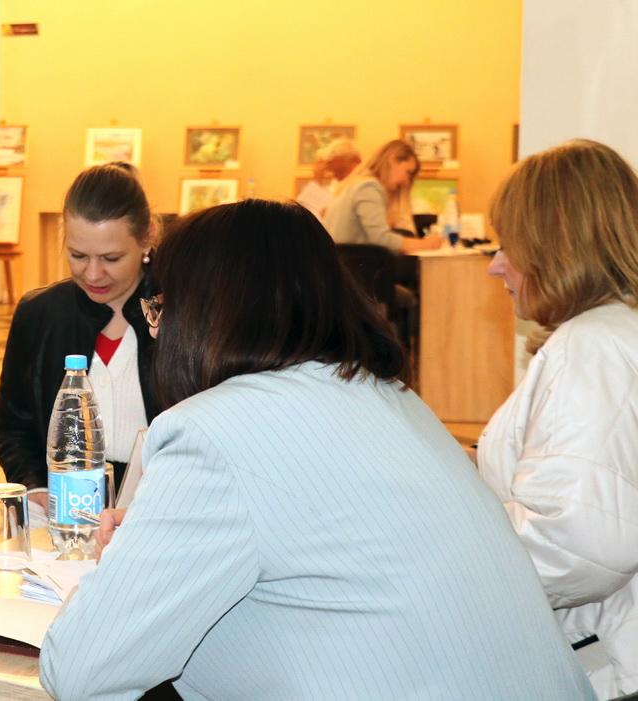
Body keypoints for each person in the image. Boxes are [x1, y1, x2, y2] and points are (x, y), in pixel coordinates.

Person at [40, 200, 594, 700]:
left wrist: (127, 568)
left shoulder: (211, 432)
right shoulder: (393, 400)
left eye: (161, 310)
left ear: (203, 315)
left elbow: (83, 669)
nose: (160, 333)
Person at [478, 139, 638, 700]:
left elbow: (581, 542)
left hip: (612, 667)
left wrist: (453, 564)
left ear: (556, 247)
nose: (495, 265)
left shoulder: (590, 347)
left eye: (509, 245)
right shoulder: (616, 333)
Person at [0, 162, 157, 494]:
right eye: (78, 256)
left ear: (147, 237)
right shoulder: (39, 314)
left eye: (111, 258)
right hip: (66, 502)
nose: (93, 274)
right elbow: (13, 425)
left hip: (160, 502)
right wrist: (35, 487)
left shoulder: (186, 315)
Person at [324, 139, 441, 253]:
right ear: (392, 160)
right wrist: (426, 244)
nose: (406, 182)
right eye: (408, 172)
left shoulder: (354, 185)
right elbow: (381, 238)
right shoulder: (368, 187)